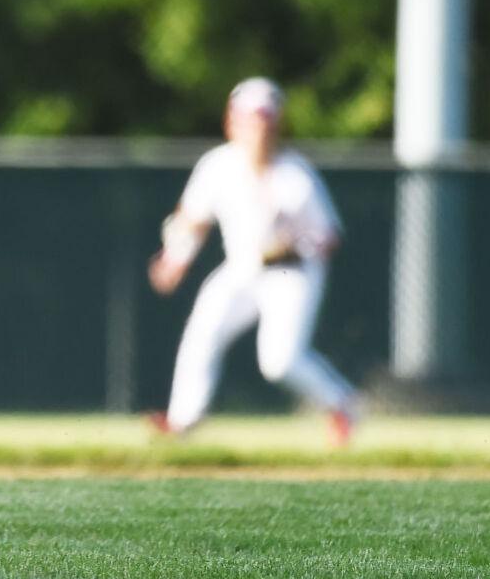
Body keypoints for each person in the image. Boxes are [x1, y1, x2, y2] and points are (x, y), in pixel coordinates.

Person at [147, 77, 359, 444]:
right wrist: (174, 259)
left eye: (263, 119)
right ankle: (183, 421)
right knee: (202, 334)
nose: (256, 128)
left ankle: (342, 404)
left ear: (276, 124)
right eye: (249, 118)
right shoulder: (217, 165)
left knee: (279, 361)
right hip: (241, 267)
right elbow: (193, 221)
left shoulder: (295, 175)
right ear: (232, 121)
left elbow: (330, 236)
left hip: (292, 274)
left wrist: (296, 241)